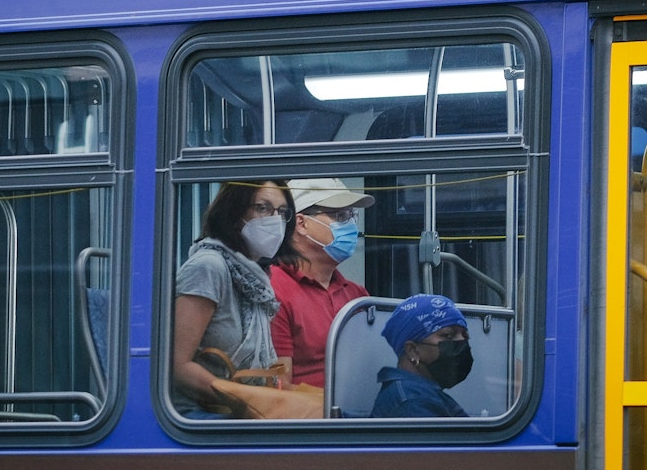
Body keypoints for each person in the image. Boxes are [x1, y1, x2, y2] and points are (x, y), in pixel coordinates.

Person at [172, 180, 298, 418]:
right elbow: (177, 367)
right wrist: (246, 401)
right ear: (235, 211)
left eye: (282, 212)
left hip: (243, 410)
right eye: (263, 208)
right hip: (200, 414)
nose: (275, 219)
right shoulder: (208, 267)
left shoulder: (255, 276)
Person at [270, 177, 375, 387]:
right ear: (301, 223)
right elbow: (279, 387)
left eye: (351, 215)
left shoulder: (357, 295)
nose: (351, 226)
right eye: (340, 216)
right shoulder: (273, 288)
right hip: (307, 416)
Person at [371, 293, 473, 418]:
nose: (461, 342)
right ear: (412, 350)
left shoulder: (422, 392)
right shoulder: (413, 402)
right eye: (448, 335)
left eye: (465, 335)